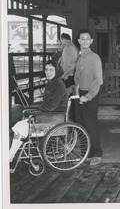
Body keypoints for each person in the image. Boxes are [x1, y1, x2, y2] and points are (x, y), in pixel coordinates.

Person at [9, 60, 68, 162]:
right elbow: (47, 104)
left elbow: (51, 107)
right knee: (19, 126)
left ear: (56, 70)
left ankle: (10, 156)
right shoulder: (52, 83)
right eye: (46, 69)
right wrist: (36, 108)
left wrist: (36, 109)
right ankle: (11, 155)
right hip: (48, 115)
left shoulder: (58, 85)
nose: (48, 72)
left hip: (53, 117)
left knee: (20, 127)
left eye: (51, 70)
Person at [74, 29, 103, 166]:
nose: (85, 41)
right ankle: (87, 153)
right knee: (81, 125)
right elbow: (77, 77)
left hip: (90, 95)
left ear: (91, 41)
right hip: (80, 94)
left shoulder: (94, 57)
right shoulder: (80, 57)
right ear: (79, 41)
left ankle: (97, 153)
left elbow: (98, 80)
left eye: (87, 38)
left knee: (91, 125)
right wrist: (76, 89)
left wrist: (88, 96)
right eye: (82, 38)